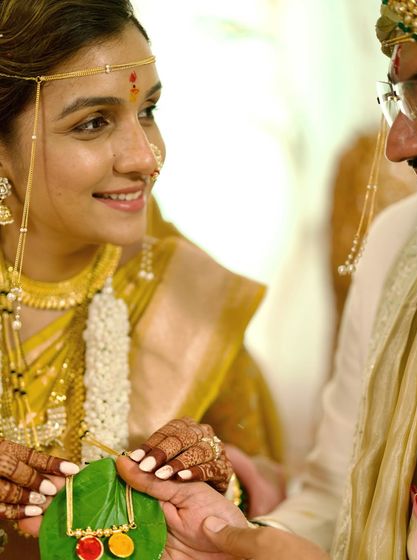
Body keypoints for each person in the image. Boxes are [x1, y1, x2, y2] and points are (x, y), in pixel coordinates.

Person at [116, 1, 417, 558]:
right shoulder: (397, 244)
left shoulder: (198, 317)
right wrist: (235, 536)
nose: (398, 144)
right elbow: (337, 495)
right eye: (402, 99)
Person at [0, 0, 284, 556]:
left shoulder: (186, 295)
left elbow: (282, 489)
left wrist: (222, 486)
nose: (146, 156)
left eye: (148, 110)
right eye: (93, 123)